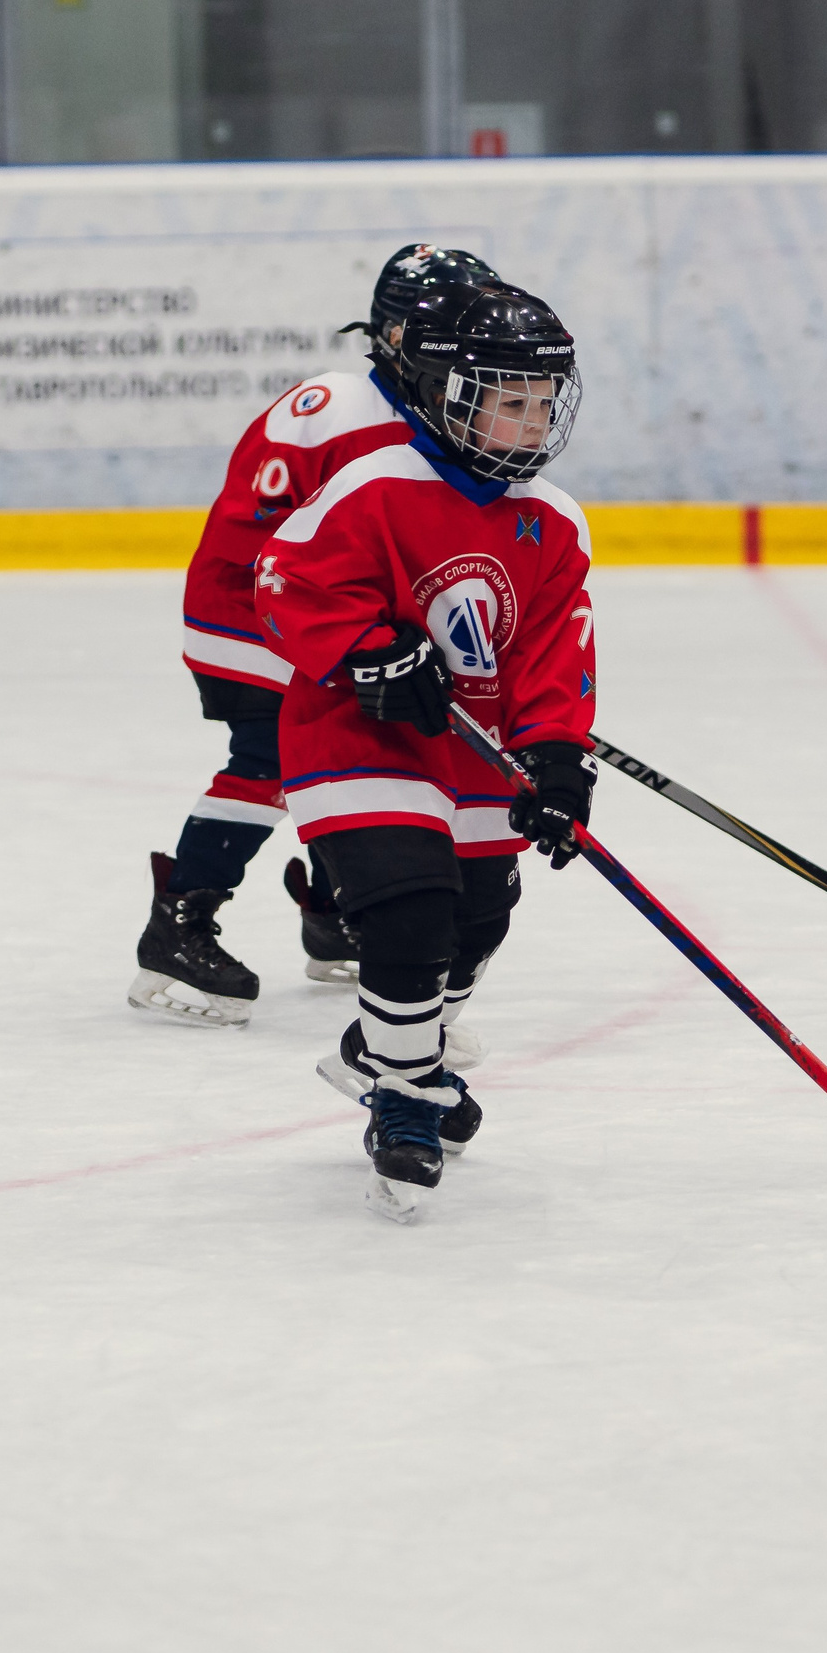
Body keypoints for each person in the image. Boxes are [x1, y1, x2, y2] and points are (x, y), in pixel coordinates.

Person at [255, 276, 596, 1221]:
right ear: (452, 394)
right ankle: (403, 1101)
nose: (530, 424)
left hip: (476, 756)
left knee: (477, 924)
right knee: (410, 915)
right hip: (352, 736)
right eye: (508, 401)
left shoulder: (554, 520)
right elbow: (282, 583)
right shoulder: (376, 486)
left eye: (541, 404)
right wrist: (369, 650)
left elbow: (555, 646)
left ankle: (385, 1045)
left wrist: (558, 761)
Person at [127, 242, 497, 1027]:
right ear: (396, 338)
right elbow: (284, 546)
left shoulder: (423, 410)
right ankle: (179, 922)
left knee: (368, 744)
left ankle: (335, 912)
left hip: (311, 609)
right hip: (251, 610)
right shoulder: (340, 407)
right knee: (272, 757)